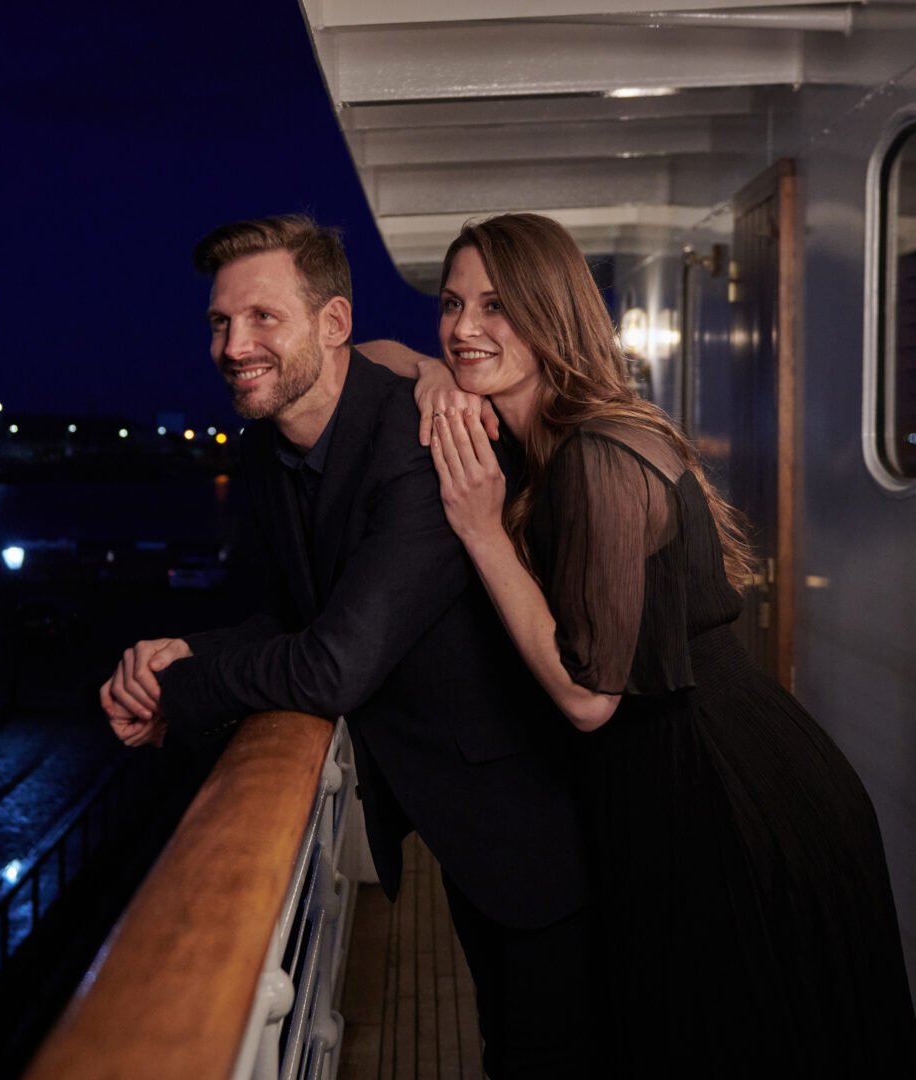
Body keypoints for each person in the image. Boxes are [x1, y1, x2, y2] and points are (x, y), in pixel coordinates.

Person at [400, 212, 916, 1075]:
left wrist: (481, 531)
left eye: (497, 306)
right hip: (687, 783)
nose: (463, 327)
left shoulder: (595, 459)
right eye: (452, 304)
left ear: (553, 312)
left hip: (727, 796)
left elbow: (587, 694)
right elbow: (383, 356)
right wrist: (429, 375)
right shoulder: (561, 440)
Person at [100, 214, 594, 1077]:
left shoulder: (423, 442)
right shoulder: (269, 449)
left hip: (547, 822)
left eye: (262, 318)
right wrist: (175, 650)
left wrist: (181, 694)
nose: (233, 344)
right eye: (220, 321)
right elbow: (291, 617)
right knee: (506, 1049)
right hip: (469, 825)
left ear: (333, 327)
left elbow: (334, 663)